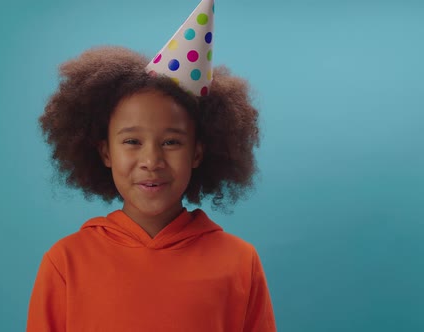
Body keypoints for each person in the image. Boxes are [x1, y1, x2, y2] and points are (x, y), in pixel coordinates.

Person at [27, 1, 276, 331]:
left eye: (171, 142)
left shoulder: (240, 263)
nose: (151, 161)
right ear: (105, 153)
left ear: (198, 153)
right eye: (132, 141)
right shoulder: (65, 262)